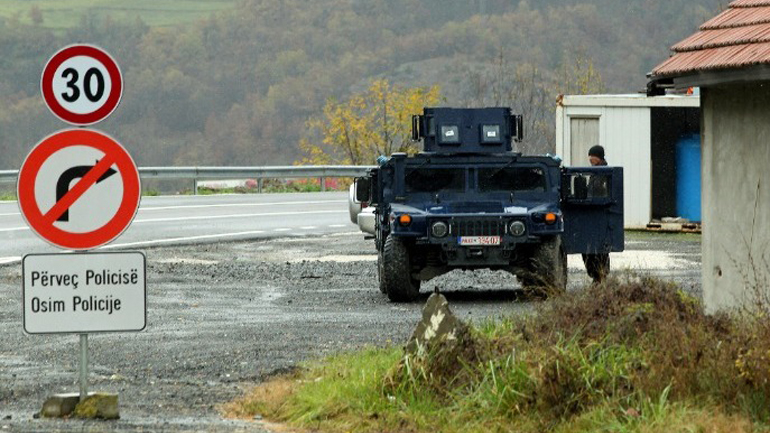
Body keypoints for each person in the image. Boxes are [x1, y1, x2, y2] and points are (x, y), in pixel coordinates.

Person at [582, 145, 610, 283]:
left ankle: (600, 276)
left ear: (598, 157)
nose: (590, 159)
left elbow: (599, 192)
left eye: (592, 156)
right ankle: (597, 275)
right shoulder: (596, 173)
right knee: (592, 249)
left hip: (598, 213)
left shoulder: (603, 173)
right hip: (594, 214)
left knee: (598, 249)